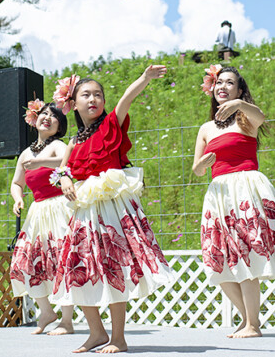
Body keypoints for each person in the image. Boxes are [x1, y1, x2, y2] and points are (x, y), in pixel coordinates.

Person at [51, 67, 173, 353]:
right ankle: (97, 333)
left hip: (113, 209)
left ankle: (118, 338)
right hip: (84, 213)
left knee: (114, 269)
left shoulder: (111, 125)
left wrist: (143, 79)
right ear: (74, 104)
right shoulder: (74, 142)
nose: (93, 99)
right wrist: (66, 178)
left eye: (98, 95)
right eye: (86, 94)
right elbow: (59, 172)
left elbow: (126, 100)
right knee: (77, 269)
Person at [192, 65, 275, 338]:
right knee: (218, 259)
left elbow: (262, 117)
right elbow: (196, 168)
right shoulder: (206, 128)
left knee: (247, 256)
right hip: (219, 194)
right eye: (219, 82)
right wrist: (203, 164)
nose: (223, 86)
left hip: (244, 189)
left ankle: (253, 324)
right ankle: (247, 319)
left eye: (229, 83)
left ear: (239, 90)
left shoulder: (245, 118)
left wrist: (240, 104)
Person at [9, 100, 75, 335]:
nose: (46, 117)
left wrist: (39, 162)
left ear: (60, 126)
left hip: (60, 207)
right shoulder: (26, 153)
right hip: (37, 211)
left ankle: (67, 321)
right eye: (43, 113)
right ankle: (46, 311)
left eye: (53, 115)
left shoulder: (58, 145)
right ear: (34, 119)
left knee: (62, 259)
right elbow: (16, 183)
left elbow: (67, 160)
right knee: (26, 260)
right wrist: (18, 198)